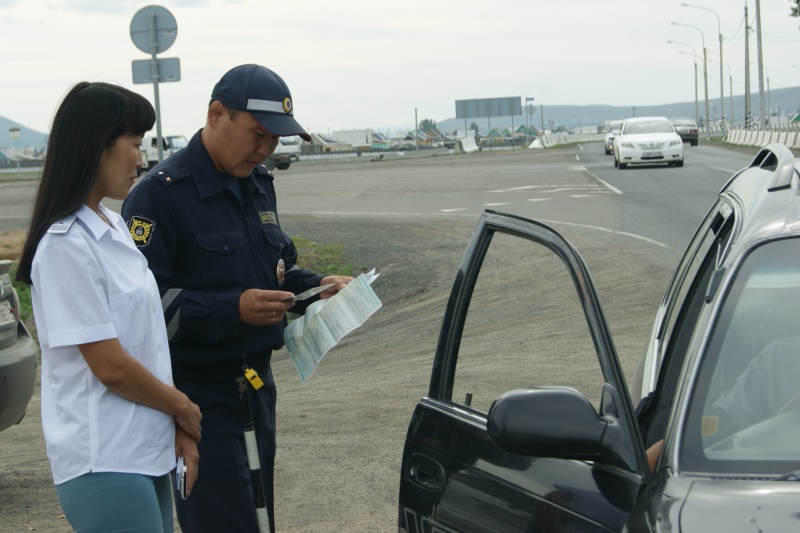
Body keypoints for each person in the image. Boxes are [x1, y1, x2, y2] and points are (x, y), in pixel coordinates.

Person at [121, 64, 353, 532]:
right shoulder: (159, 196)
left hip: (256, 388)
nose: (265, 149)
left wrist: (318, 286)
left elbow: (278, 270)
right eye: (257, 134)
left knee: (259, 516)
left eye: (275, 140)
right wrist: (233, 308)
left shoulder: (258, 185)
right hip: (196, 396)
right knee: (222, 522)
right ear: (216, 114)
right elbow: (140, 315)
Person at [15, 82, 202, 532]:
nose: (142, 158)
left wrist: (174, 426)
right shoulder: (65, 246)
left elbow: (146, 348)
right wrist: (184, 408)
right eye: (135, 145)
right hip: (104, 460)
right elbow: (111, 366)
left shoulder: (113, 226)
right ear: (95, 146)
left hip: (143, 452)